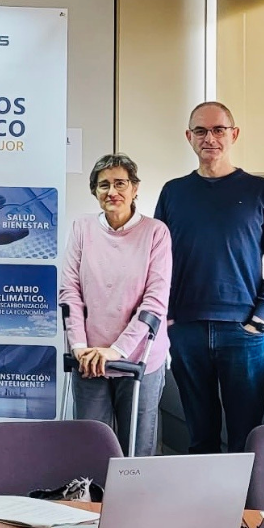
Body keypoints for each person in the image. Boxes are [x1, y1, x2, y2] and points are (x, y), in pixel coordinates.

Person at [155, 101, 264, 453]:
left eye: (218, 129)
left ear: (234, 134)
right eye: (200, 130)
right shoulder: (173, 192)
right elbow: (155, 258)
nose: (210, 138)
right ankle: (204, 508)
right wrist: (167, 315)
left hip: (243, 332)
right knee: (199, 436)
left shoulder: (260, 191)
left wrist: (262, 318)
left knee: (245, 438)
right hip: (187, 329)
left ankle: (245, 508)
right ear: (189, 137)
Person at [59, 154, 172, 456]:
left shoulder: (155, 232)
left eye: (120, 183)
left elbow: (156, 299)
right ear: (94, 192)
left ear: (135, 188)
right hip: (89, 358)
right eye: (103, 185)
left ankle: (135, 503)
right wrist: (79, 345)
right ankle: (91, 502)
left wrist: (117, 350)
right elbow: (69, 290)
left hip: (138, 357)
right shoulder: (82, 228)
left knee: (136, 450)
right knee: (89, 446)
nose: (112, 192)